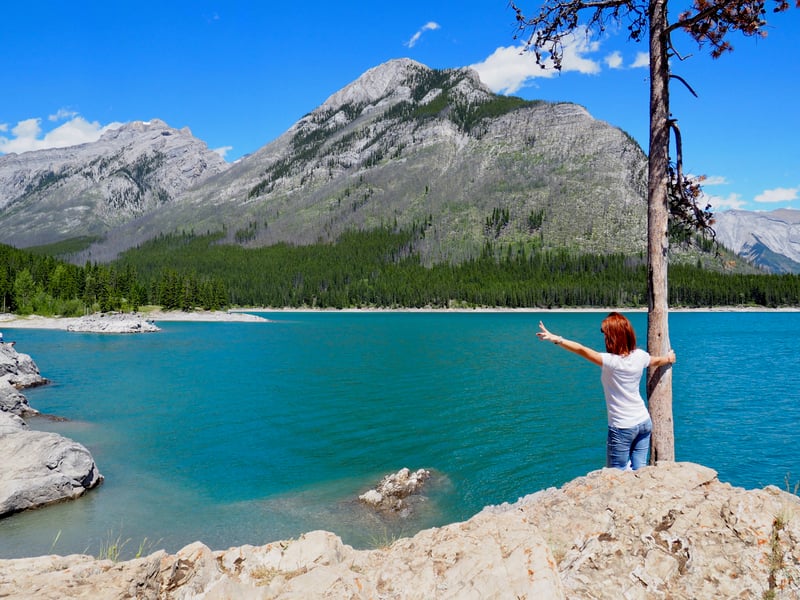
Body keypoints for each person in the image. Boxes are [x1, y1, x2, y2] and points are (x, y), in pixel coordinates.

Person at [536, 312, 676, 471]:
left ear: (614, 338)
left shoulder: (610, 362)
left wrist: (556, 339)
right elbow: (657, 360)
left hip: (622, 426)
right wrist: (669, 358)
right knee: (640, 469)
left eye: (606, 335)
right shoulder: (640, 356)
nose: (605, 339)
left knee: (616, 473)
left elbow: (581, 350)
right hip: (643, 422)